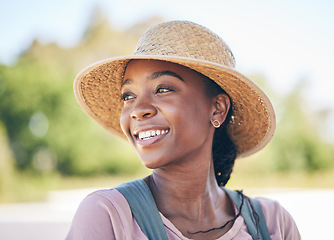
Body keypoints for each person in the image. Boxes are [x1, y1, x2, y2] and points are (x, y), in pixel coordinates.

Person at [66, 20, 301, 239]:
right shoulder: (108, 215)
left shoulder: (272, 223)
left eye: (163, 89)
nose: (138, 110)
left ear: (217, 109)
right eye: (128, 96)